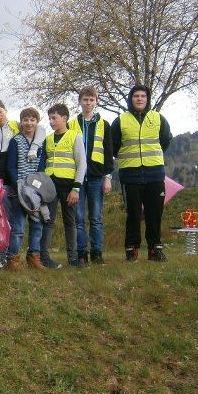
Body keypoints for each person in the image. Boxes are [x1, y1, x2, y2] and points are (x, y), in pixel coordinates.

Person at [110, 85, 172, 262]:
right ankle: (132, 249)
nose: (139, 99)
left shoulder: (158, 118)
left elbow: (166, 141)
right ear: (131, 99)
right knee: (133, 214)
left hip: (155, 174)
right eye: (136, 96)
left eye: (143, 96)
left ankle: (155, 249)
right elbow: (113, 146)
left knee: (155, 213)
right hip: (131, 175)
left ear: (147, 99)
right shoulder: (120, 120)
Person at [0, 98, 47, 267]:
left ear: (5, 109)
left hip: (16, 179)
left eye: (1, 111)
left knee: (14, 220)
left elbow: (39, 129)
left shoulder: (15, 125)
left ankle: (10, 255)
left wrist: (34, 148)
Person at [67, 86, 114, 264]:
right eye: (85, 99)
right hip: (77, 177)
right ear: (80, 101)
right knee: (78, 218)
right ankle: (81, 252)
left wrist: (107, 177)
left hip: (96, 177)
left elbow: (109, 152)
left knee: (95, 217)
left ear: (96, 101)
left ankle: (97, 252)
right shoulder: (71, 124)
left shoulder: (104, 124)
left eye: (91, 99)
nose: (88, 103)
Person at [2, 107, 47, 270]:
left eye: (32, 120)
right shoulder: (16, 141)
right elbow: (11, 167)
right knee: (18, 227)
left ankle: (34, 256)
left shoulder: (41, 142)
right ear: (21, 122)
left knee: (37, 225)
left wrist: (37, 187)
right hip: (18, 191)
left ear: (37, 122)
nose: (29, 123)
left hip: (36, 191)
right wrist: (19, 185)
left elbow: (42, 165)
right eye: (26, 120)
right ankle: (12, 258)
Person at [42, 103, 87, 268]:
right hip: (50, 186)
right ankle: (44, 257)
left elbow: (82, 163)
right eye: (50, 119)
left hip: (69, 186)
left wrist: (76, 188)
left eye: (54, 118)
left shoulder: (75, 136)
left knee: (70, 222)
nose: (51, 122)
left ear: (64, 118)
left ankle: (73, 258)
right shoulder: (47, 139)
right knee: (48, 220)